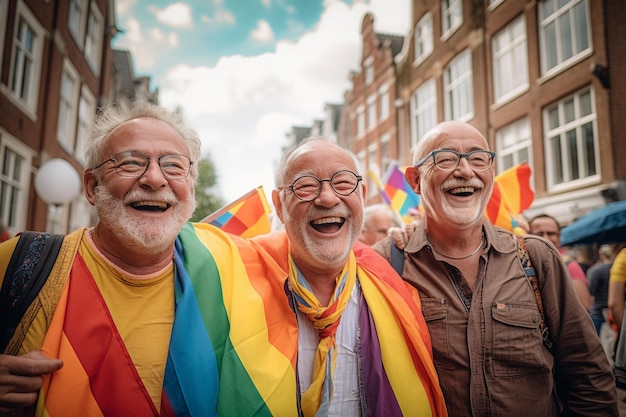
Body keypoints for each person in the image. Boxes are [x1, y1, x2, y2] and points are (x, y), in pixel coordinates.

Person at [373, 121, 617, 416]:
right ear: (414, 180)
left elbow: (588, 376)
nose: (465, 171)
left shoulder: (536, 258)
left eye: (478, 159)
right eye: (446, 159)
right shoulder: (385, 264)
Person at [249, 137, 447, 416]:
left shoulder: (396, 283)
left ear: (362, 196)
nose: (328, 198)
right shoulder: (240, 287)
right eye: (305, 185)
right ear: (279, 205)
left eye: (343, 183)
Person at [528, 214, 592, 312]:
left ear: (559, 237)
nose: (545, 238)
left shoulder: (569, 266)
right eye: (539, 234)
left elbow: (583, 307)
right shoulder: (525, 265)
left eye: (551, 233)